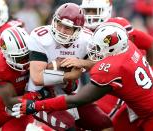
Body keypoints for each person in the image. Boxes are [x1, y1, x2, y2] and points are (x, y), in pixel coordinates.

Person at [12, 22, 153, 131]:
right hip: (143, 103)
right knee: (110, 127)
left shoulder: (111, 69)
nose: (94, 52)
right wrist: (82, 62)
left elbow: (76, 100)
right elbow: (113, 64)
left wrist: (35, 106)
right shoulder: (128, 46)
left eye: (98, 49)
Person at [25, 3, 113, 131]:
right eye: (59, 24)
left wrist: (81, 63)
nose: (61, 30)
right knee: (69, 127)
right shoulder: (41, 37)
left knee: (104, 124)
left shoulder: (87, 39)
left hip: (68, 93)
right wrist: (69, 74)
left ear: (78, 30)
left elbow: (102, 64)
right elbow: (37, 77)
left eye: (67, 28)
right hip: (39, 96)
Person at [80, 1, 153, 129]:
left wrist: (151, 73)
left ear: (107, 10)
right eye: (87, 11)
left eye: (95, 10)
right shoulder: (78, 29)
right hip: (97, 79)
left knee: (105, 123)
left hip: (121, 84)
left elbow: (150, 43)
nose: (90, 15)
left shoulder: (117, 26)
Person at [0, 26, 53, 131]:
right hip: (3, 105)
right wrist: (38, 95)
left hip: (24, 111)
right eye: (20, 58)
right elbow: (10, 102)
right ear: (6, 56)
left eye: (28, 55)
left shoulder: (38, 54)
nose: (25, 61)